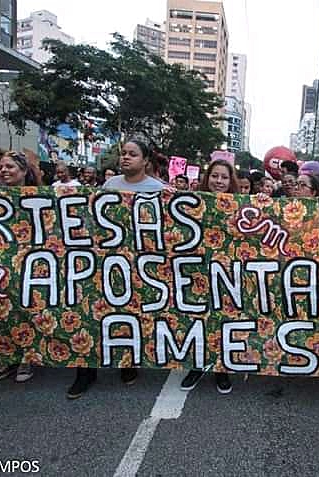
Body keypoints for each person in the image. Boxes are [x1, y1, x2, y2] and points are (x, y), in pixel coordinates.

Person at [67, 140, 166, 400]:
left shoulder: (159, 190)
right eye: (123, 153)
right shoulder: (109, 186)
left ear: (146, 160)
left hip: (138, 266)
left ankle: (128, 363)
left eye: (132, 154)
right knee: (92, 313)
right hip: (106, 263)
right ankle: (85, 373)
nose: (125, 158)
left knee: (130, 313)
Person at [180, 159, 237, 395]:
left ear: (230, 181)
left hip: (228, 273)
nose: (219, 181)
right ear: (207, 177)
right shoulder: (191, 203)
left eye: (224, 177)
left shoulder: (240, 205)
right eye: (215, 176)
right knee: (197, 319)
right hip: (198, 270)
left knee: (224, 320)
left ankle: (221, 369)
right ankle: (197, 365)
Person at [0, 151, 41, 384]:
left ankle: (26, 357)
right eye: (1, 167)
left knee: (26, 307)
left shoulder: (41, 196)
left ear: (23, 171)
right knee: (1, 309)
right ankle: (6, 357)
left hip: (30, 262)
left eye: (9, 167)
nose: (4, 171)